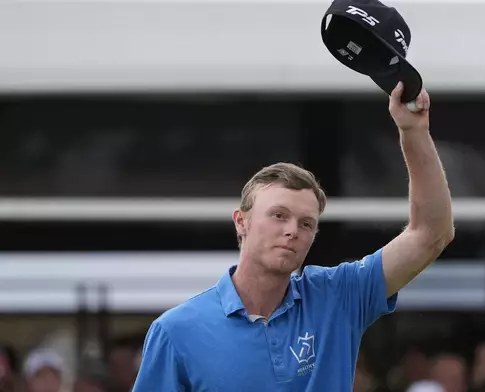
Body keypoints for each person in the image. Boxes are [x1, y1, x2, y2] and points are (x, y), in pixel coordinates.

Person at [132, 82, 454, 391]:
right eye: (278, 215)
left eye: (306, 223)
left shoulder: (337, 298)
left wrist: (414, 132)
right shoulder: (176, 332)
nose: (292, 231)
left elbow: (431, 233)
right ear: (240, 222)